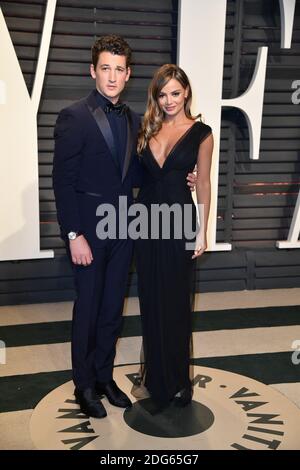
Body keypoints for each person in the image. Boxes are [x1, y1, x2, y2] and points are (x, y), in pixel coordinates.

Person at [53, 36, 196, 418]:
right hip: (87, 231)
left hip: (125, 229)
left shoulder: (136, 121)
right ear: (92, 71)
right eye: (105, 68)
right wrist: (73, 235)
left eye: (119, 69)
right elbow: (62, 181)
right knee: (88, 308)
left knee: (113, 309)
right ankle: (83, 385)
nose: (112, 76)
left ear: (128, 74)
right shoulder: (74, 115)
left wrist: (188, 176)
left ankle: (103, 377)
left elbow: (145, 172)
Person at [135, 64, 213, 412]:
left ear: (186, 93)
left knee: (177, 302)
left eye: (175, 93)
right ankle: (156, 379)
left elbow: (205, 183)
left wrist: (202, 229)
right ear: (157, 96)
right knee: (151, 300)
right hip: (145, 222)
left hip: (180, 221)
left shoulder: (202, 133)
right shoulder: (146, 128)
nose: (169, 101)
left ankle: (179, 382)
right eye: (162, 94)